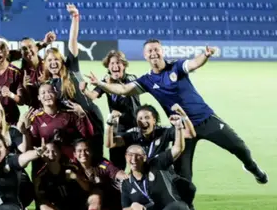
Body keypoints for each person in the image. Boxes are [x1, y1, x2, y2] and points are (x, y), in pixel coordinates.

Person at [87, 39, 268, 184]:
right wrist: (101, 84)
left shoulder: (176, 67)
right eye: (149, 51)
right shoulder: (147, 80)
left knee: (239, 147)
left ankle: (251, 167)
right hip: (181, 128)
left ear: (162, 51)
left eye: (156, 49)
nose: (153, 53)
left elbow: (194, 63)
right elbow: (123, 89)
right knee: (183, 174)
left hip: (206, 119)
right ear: (145, 55)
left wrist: (205, 55)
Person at [116, 110, 197, 210]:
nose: (134, 159)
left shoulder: (157, 163)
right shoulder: (127, 182)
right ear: (125, 157)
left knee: (175, 207)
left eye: (138, 156)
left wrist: (178, 127)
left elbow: (178, 148)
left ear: (145, 157)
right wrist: (133, 205)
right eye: (130, 155)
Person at [40, 5, 104, 154]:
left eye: (56, 59)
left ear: (61, 61)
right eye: (49, 60)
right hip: (71, 125)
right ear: (46, 64)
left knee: (95, 156)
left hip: (90, 117)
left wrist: (75, 16)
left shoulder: (71, 68)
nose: (53, 63)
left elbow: (72, 39)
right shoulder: (48, 85)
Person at [83, 50, 140, 170]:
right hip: (116, 129)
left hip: (135, 128)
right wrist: (84, 90)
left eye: (118, 63)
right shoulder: (105, 81)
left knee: (137, 163)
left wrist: (103, 84)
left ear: (124, 65)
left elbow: (123, 89)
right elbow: (93, 96)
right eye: (112, 63)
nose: (115, 66)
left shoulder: (131, 78)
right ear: (108, 67)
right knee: (117, 166)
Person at [18, 83, 93, 158]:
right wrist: (25, 131)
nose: (47, 95)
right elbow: (30, 148)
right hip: (49, 159)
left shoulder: (69, 114)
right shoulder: (35, 119)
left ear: (56, 94)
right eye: (43, 93)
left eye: (50, 91)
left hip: (70, 158)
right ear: (39, 97)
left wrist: (82, 115)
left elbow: (85, 136)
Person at [34, 142, 98, 210]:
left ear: (60, 153)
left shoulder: (72, 168)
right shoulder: (40, 176)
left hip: (80, 207)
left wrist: (76, 178)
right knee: (42, 205)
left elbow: (87, 188)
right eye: (47, 152)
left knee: (96, 193)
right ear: (42, 155)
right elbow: (41, 198)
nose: (51, 154)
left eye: (54, 151)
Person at [72, 139, 127, 210]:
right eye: (79, 151)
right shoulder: (72, 167)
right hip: (80, 204)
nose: (83, 153)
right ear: (74, 154)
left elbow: (115, 171)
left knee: (97, 192)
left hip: (106, 204)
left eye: (86, 150)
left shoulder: (101, 163)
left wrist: (125, 177)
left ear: (91, 152)